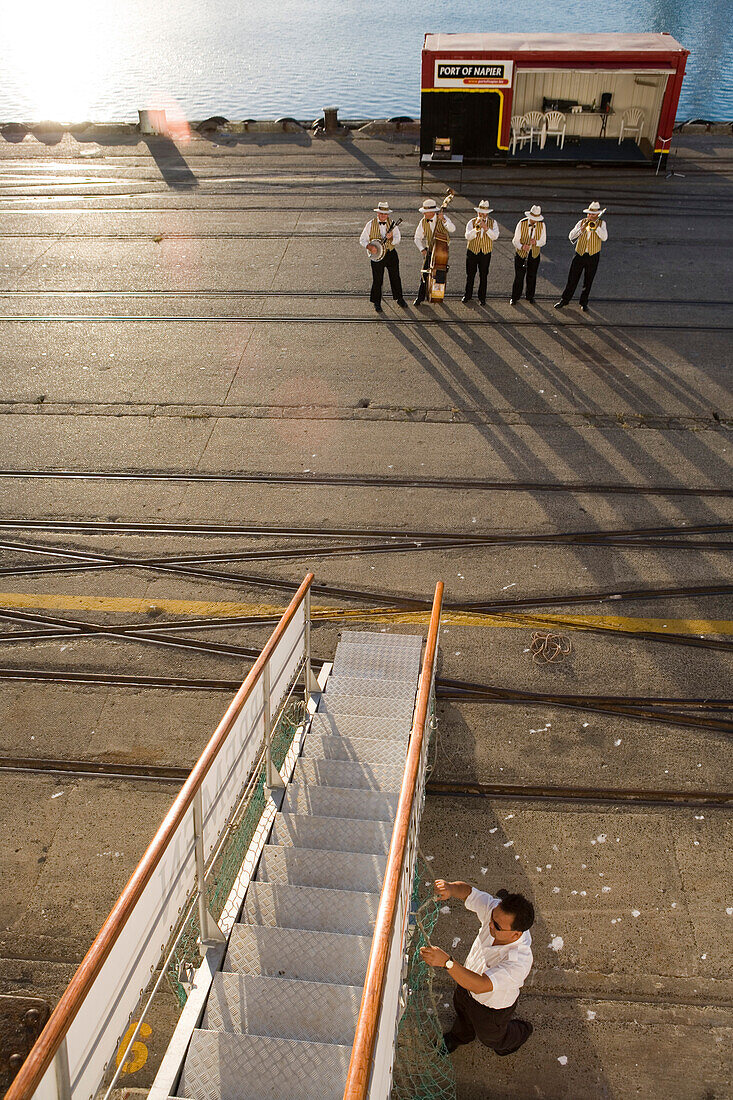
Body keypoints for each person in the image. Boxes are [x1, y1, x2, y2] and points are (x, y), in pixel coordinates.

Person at [420, 879, 534, 1057]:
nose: (490, 925)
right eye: (492, 918)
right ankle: (459, 1037)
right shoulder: (496, 913)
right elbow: (469, 893)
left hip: (491, 1009)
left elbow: (481, 985)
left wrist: (446, 962)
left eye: (497, 926)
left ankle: (521, 1031)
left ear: (516, 934)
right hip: (465, 984)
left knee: (493, 1039)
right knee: (462, 1015)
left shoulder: (519, 962)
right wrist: (450, 888)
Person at [555, 201, 608, 312]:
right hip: (579, 254)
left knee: (588, 280)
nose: (590, 216)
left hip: (593, 256)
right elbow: (571, 236)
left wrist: (596, 228)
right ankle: (564, 300)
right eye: (589, 214)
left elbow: (604, 237)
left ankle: (583, 303)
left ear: (597, 215)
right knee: (572, 278)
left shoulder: (602, 224)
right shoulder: (581, 222)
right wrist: (581, 230)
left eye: (593, 215)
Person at [359, 201, 407, 312]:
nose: (382, 216)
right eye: (381, 214)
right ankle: (377, 302)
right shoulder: (370, 224)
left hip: (390, 253)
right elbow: (362, 239)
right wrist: (370, 247)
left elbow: (398, 239)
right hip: (376, 255)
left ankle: (399, 298)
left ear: (388, 215)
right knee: (377, 279)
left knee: (395, 276)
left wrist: (390, 238)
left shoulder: (393, 224)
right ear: (377, 214)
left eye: (384, 214)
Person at [413, 197, 456, 305]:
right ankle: (420, 297)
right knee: (424, 273)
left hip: (442, 251)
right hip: (430, 250)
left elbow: (452, 229)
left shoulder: (442, 217)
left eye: (425, 212)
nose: (424, 214)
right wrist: (422, 250)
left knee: (439, 275)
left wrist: (444, 220)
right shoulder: (423, 222)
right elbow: (417, 238)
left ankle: (437, 296)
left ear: (432, 212)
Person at [463, 199, 499, 305]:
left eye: (484, 213)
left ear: (487, 213)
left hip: (485, 252)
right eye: (480, 213)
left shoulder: (493, 223)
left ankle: (482, 298)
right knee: (470, 275)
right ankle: (467, 295)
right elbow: (468, 236)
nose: (482, 215)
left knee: (483, 275)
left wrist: (486, 228)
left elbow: (495, 237)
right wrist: (476, 229)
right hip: (472, 252)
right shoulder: (471, 222)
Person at [510, 204, 546, 305]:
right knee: (519, 277)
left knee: (532, 276)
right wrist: (522, 246)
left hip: (534, 254)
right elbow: (515, 240)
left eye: (536, 218)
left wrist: (536, 243)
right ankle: (515, 297)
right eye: (533, 218)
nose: (534, 220)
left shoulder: (542, 225)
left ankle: (530, 296)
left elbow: (543, 241)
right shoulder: (521, 223)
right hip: (521, 254)